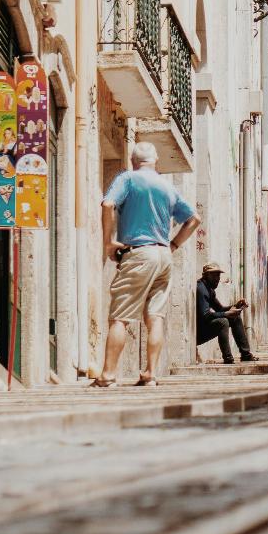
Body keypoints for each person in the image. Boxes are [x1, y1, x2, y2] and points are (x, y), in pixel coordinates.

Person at [96, 142, 201, 388]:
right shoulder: (168, 186)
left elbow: (108, 204)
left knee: (120, 317)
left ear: (133, 161)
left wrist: (109, 242)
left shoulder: (128, 179)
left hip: (139, 253)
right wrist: (173, 245)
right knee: (155, 317)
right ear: (155, 162)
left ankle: (108, 375)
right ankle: (151, 373)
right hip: (163, 255)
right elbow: (194, 219)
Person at [196, 262, 256, 364]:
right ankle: (228, 358)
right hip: (198, 334)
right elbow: (205, 315)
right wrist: (226, 314)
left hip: (204, 328)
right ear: (206, 275)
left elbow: (220, 309)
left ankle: (246, 354)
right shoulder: (201, 289)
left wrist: (236, 305)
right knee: (223, 322)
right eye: (214, 275)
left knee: (235, 318)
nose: (217, 279)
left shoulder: (209, 290)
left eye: (218, 275)